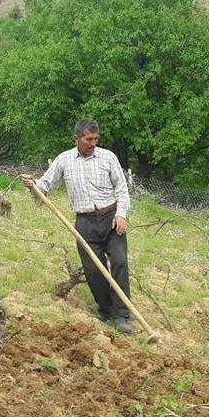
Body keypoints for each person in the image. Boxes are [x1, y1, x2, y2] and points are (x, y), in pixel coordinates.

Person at [20, 118, 134, 333]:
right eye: (88, 139)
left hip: (111, 218)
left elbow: (122, 189)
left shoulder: (108, 157)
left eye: (95, 139)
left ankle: (121, 315)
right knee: (93, 270)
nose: (93, 143)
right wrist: (32, 185)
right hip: (84, 222)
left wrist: (121, 214)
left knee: (119, 262)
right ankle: (106, 309)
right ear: (77, 139)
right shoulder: (64, 160)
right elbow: (44, 186)